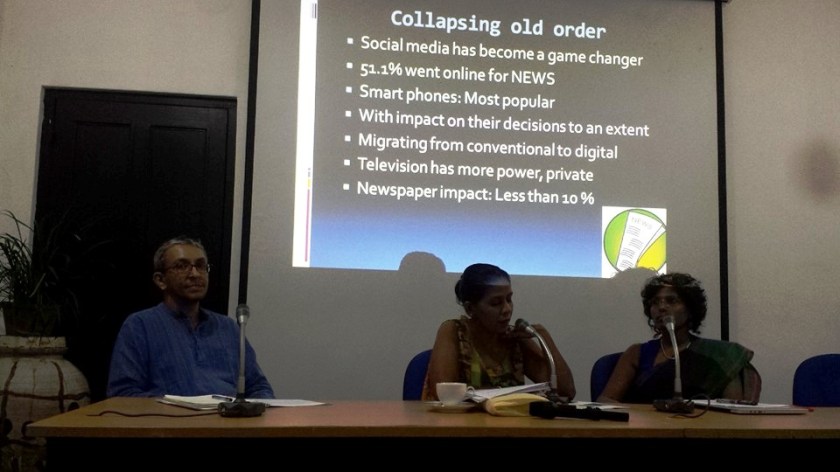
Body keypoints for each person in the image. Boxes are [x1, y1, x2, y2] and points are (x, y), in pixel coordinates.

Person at [106, 237, 274, 398]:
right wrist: (180, 407)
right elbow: (123, 393)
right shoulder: (140, 326)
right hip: (169, 424)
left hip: (226, 423)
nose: (195, 274)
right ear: (160, 280)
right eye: (182, 266)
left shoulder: (228, 328)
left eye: (201, 266)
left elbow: (259, 387)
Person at [597, 272, 761, 404]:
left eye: (671, 301)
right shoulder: (637, 353)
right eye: (655, 302)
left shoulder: (722, 356)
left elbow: (731, 410)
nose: (661, 307)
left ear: (690, 309)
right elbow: (606, 400)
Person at [422, 263, 575, 402]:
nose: (507, 309)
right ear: (470, 308)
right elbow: (444, 395)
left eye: (509, 299)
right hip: (459, 428)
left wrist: (543, 335)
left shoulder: (515, 337)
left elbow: (566, 391)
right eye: (496, 303)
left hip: (509, 428)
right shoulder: (454, 331)